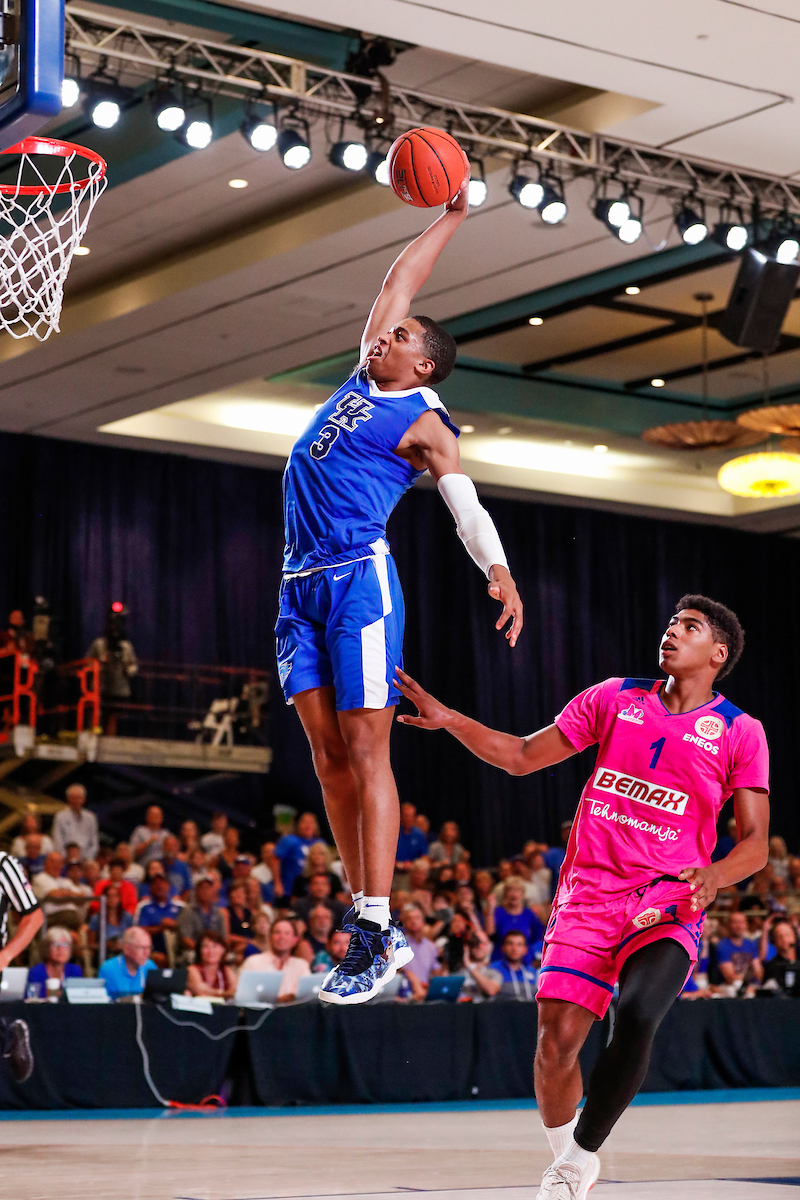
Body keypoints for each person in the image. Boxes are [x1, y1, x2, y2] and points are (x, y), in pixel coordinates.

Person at [395, 593, 769, 1199]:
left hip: (666, 899)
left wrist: (717, 875)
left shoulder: (740, 731)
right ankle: (569, 1159)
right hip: (588, 896)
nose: (672, 631)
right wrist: (451, 720)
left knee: (638, 1014)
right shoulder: (615, 697)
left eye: (690, 626)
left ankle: (577, 1160)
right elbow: (520, 756)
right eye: (671, 622)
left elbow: (756, 845)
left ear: (717, 653)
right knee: (555, 1046)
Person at [275, 181, 522, 1005]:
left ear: (423, 364)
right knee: (325, 757)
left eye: (404, 336)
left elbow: (465, 506)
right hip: (298, 586)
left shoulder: (427, 422)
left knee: (366, 748)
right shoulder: (363, 371)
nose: (388, 333)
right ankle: (366, 911)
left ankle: (378, 926)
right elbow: (400, 280)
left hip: (360, 583)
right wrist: (451, 215)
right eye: (391, 330)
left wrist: (497, 569)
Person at [0, 848, 43, 1081]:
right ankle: (8, 1034)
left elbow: (34, 916)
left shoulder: (4, 864)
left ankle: (8, 1035)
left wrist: (7, 954)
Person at [86, 603, 138, 734]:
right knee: (98, 721)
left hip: (120, 690)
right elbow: (87, 663)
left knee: (116, 722)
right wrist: (99, 663)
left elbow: (133, 666)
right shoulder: (99, 645)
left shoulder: (126, 647)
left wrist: (126, 668)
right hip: (101, 689)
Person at [241, 916, 310, 1001]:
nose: (282, 937)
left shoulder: (302, 965)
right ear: (270, 937)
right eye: (277, 932)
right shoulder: (253, 962)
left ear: (294, 940)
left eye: (287, 933)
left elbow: (307, 995)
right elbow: (243, 996)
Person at [487, 878, 545, 962]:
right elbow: (489, 933)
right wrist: (490, 911)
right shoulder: (497, 912)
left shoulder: (529, 914)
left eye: (517, 891)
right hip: (500, 960)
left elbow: (537, 937)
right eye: (510, 890)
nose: (513, 894)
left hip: (525, 961)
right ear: (505, 894)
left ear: (523, 894)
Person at [32, 853, 90, 931]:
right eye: (53, 862)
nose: (56, 865)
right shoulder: (40, 878)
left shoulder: (65, 881)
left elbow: (81, 898)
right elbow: (55, 896)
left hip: (72, 919)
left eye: (59, 863)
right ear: (46, 863)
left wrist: (65, 894)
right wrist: (70, 895)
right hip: (50, 918)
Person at [135, 874, 181, 965]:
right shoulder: (144, 907)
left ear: (168, 886)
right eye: (155, 883)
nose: (159, 886)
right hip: (153, 948)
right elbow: (140, 931)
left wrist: (175, 924)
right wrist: (161, 927)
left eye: (162, 882)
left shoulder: (180, 906)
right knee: (159, 958)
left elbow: (187, 929)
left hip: (177, 948)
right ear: (150, 888)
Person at [273, 813, 325, 896]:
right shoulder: (288, 840)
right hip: (289, 888)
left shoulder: (320, 843)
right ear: (298, 824)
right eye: (305, 822)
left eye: (311, 823)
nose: (308, 826)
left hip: (313, 891)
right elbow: (276, 860)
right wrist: (277, 883)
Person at [99, 926, 157, 999]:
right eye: (141, 948)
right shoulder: (108, 969)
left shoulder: (150, 966)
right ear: (127, 949)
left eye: (149, 948)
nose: (147, 953)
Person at [176, 877, 226, 959]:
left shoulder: (217, 912)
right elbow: (185, 939)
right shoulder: (187, 911)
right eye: (202, 888)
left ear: (212, 891)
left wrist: (215, 950)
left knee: (230, 957)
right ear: (196, 891)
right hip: (192, 951)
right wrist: (203, 950)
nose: (205, 891)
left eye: (208, 888)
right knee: (191, 956)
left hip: (214, 951)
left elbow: (223, 937)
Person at [399, 902, 440, 1000]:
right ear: (405, 923)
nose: (413, 921)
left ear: (423, 922)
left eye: (417, 918)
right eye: (410, 918)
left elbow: (436, 972)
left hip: (426, 992)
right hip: (406, 992)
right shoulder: (399, 945)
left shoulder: (431, 946)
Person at [27, 926, 83, 998]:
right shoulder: (36, 972)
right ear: (46, 949)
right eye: (55, 944)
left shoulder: (74, 970)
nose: (60, 949)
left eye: (65, 944)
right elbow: (31, 998)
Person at [51, 784, 99, 861]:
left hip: (86, 859)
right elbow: (57, 841)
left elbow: (94, 842)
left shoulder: (90, 817)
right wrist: (66, 857)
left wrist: (87, 858)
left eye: (79, 797)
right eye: (73, 797)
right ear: (68, 799)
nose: (76, 800)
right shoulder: (60, 817)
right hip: (66, 858)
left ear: (83, 799)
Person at [716, 910, 763, 990]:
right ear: (728, 925)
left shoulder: (750, 944)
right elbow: (729, 977)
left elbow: (758, 972)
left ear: (746, 925)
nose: (739, 926)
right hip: (727, 987)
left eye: (742, 922)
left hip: (748, 986)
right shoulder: (722, 945)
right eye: (735, 922)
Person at [186, 930, 237, 1000]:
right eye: (205, 947)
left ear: (223, 950)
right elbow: (199, 989)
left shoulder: (226, 970)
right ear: (199, 950)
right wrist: (223, 993)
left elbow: (236, 991)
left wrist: (216, 993)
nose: (210, 951)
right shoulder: (192, 969)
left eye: (215, 946)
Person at [88, 883, 132, 960]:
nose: (112, 899)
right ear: (103, 899)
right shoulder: (96, 919)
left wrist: (123, 945)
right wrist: (106, 945)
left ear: (119, 898)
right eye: (109, 896)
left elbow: (133, 939)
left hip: (124, 955)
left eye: (115, 896)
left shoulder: (127, 917)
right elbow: (91, 945)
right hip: (104, 955)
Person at [491, 931, 538, 1000]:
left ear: (525, 949)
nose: (514, 949)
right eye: (510, 944)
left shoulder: (533, 971)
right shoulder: (493, 969)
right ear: (503, 948)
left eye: (519, 945)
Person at [760, 918, 799, 996]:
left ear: (794, 937)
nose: (784, 939)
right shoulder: (772, 966)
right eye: (780, 936)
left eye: (787, 935)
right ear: (774, 941)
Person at [395, 803, 429, 874]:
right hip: (395, 870)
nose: (409, 819)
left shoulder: (418, 833)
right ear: (401, 816)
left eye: (411, 816)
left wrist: (413, 865)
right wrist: (400, 865)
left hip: (414, 870)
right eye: (406, 816)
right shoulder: (394, 832)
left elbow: (424, 856)